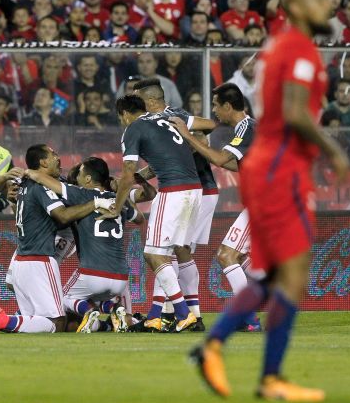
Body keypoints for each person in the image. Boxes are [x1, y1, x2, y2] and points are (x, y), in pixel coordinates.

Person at [190, 0, 349, 401]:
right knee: (289, 276)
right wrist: (334, 151)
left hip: (268, 170)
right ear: (295, 6)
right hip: (282, 171)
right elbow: (296, 113)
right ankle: (261, 370)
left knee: (277, 275)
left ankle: (220, 350)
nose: (327, 4)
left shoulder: (277, 47)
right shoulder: (298, 49)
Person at [0, 144, 113, 334]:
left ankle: (0, 318)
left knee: (27, 289)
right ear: (42, 162)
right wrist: (5, 178)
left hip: (35, 246)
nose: (58, 158)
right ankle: (4, 319)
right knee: (55, 318)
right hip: (41, 248)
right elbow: (63, 215)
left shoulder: (43, 182)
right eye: (53, 155)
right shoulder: (41, 185)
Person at [21, 156, 152, 333]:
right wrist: (120, 198)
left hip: (92, 274)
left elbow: (51, 184)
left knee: (61, 298)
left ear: (88, 179)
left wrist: (31, 172)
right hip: (120, 279)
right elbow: (139, 218)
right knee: (84, 309)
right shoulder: (117, 200)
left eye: (80, 174)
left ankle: (89, 312)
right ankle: (115, 311)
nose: (78, 179)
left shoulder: (81, 195)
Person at [106, 94, 202, 333]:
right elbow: (168, 158)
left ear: (125, 114)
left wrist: (116, 207)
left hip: (173, 191)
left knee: (153, 254)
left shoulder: (133, 128)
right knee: (166, 254)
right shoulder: (163, 121)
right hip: (194, 190)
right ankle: (157, 316)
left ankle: (183, 314)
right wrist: (141, 177)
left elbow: (129, 172)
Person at [170, 82, 261, 332]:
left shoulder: (246, 127)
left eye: (215, 105)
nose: (214, 111)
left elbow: (221, 159)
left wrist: (189, 137)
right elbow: (234, 165)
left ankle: (250, 318)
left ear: (228, 106)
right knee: (240, 258)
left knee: (225, 255)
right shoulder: (251, 127)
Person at [131, 78, 217, 331]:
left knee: (162, 252)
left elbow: (209, 125)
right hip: (194, 190)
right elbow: (207, 126)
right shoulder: (164, 119)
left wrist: (191, 137)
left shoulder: (171, 117)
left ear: (150, 100)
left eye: (138, 100)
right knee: (175, 252)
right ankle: (166, 314)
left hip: (186, 190)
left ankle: (175, 314)